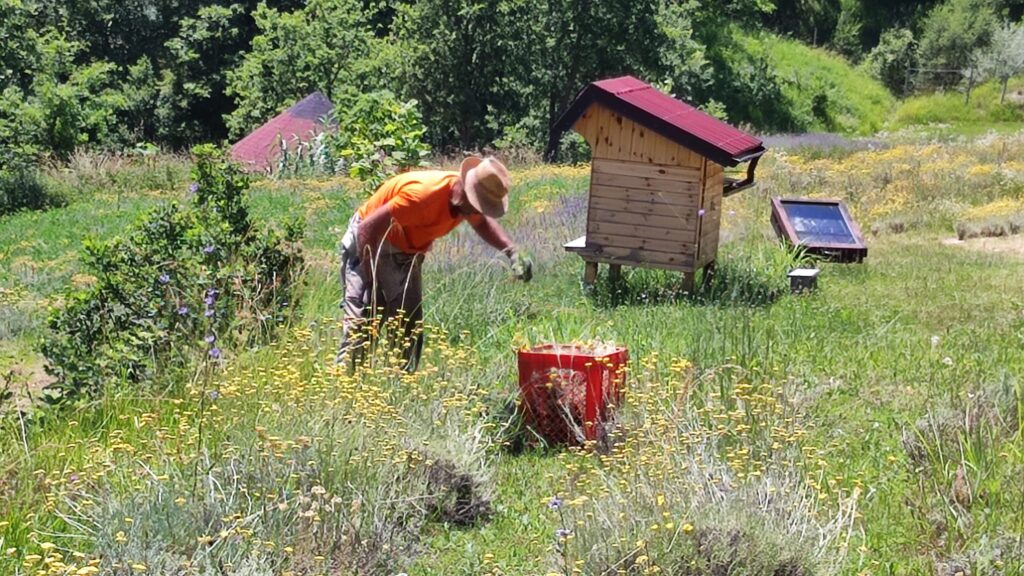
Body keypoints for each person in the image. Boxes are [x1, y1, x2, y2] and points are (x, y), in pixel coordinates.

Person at [337, 156, 532, 371]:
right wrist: (372, 280)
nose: (477, 213)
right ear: (465, 190)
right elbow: (367, 229)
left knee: (407, 327)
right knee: (363, 322)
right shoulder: (421, 196)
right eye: (477, 205)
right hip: (371, 243)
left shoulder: (464, 204)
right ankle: (346, 385)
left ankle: (400, 391)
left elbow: (482, 224)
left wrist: (511, 250)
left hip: (405, 252)